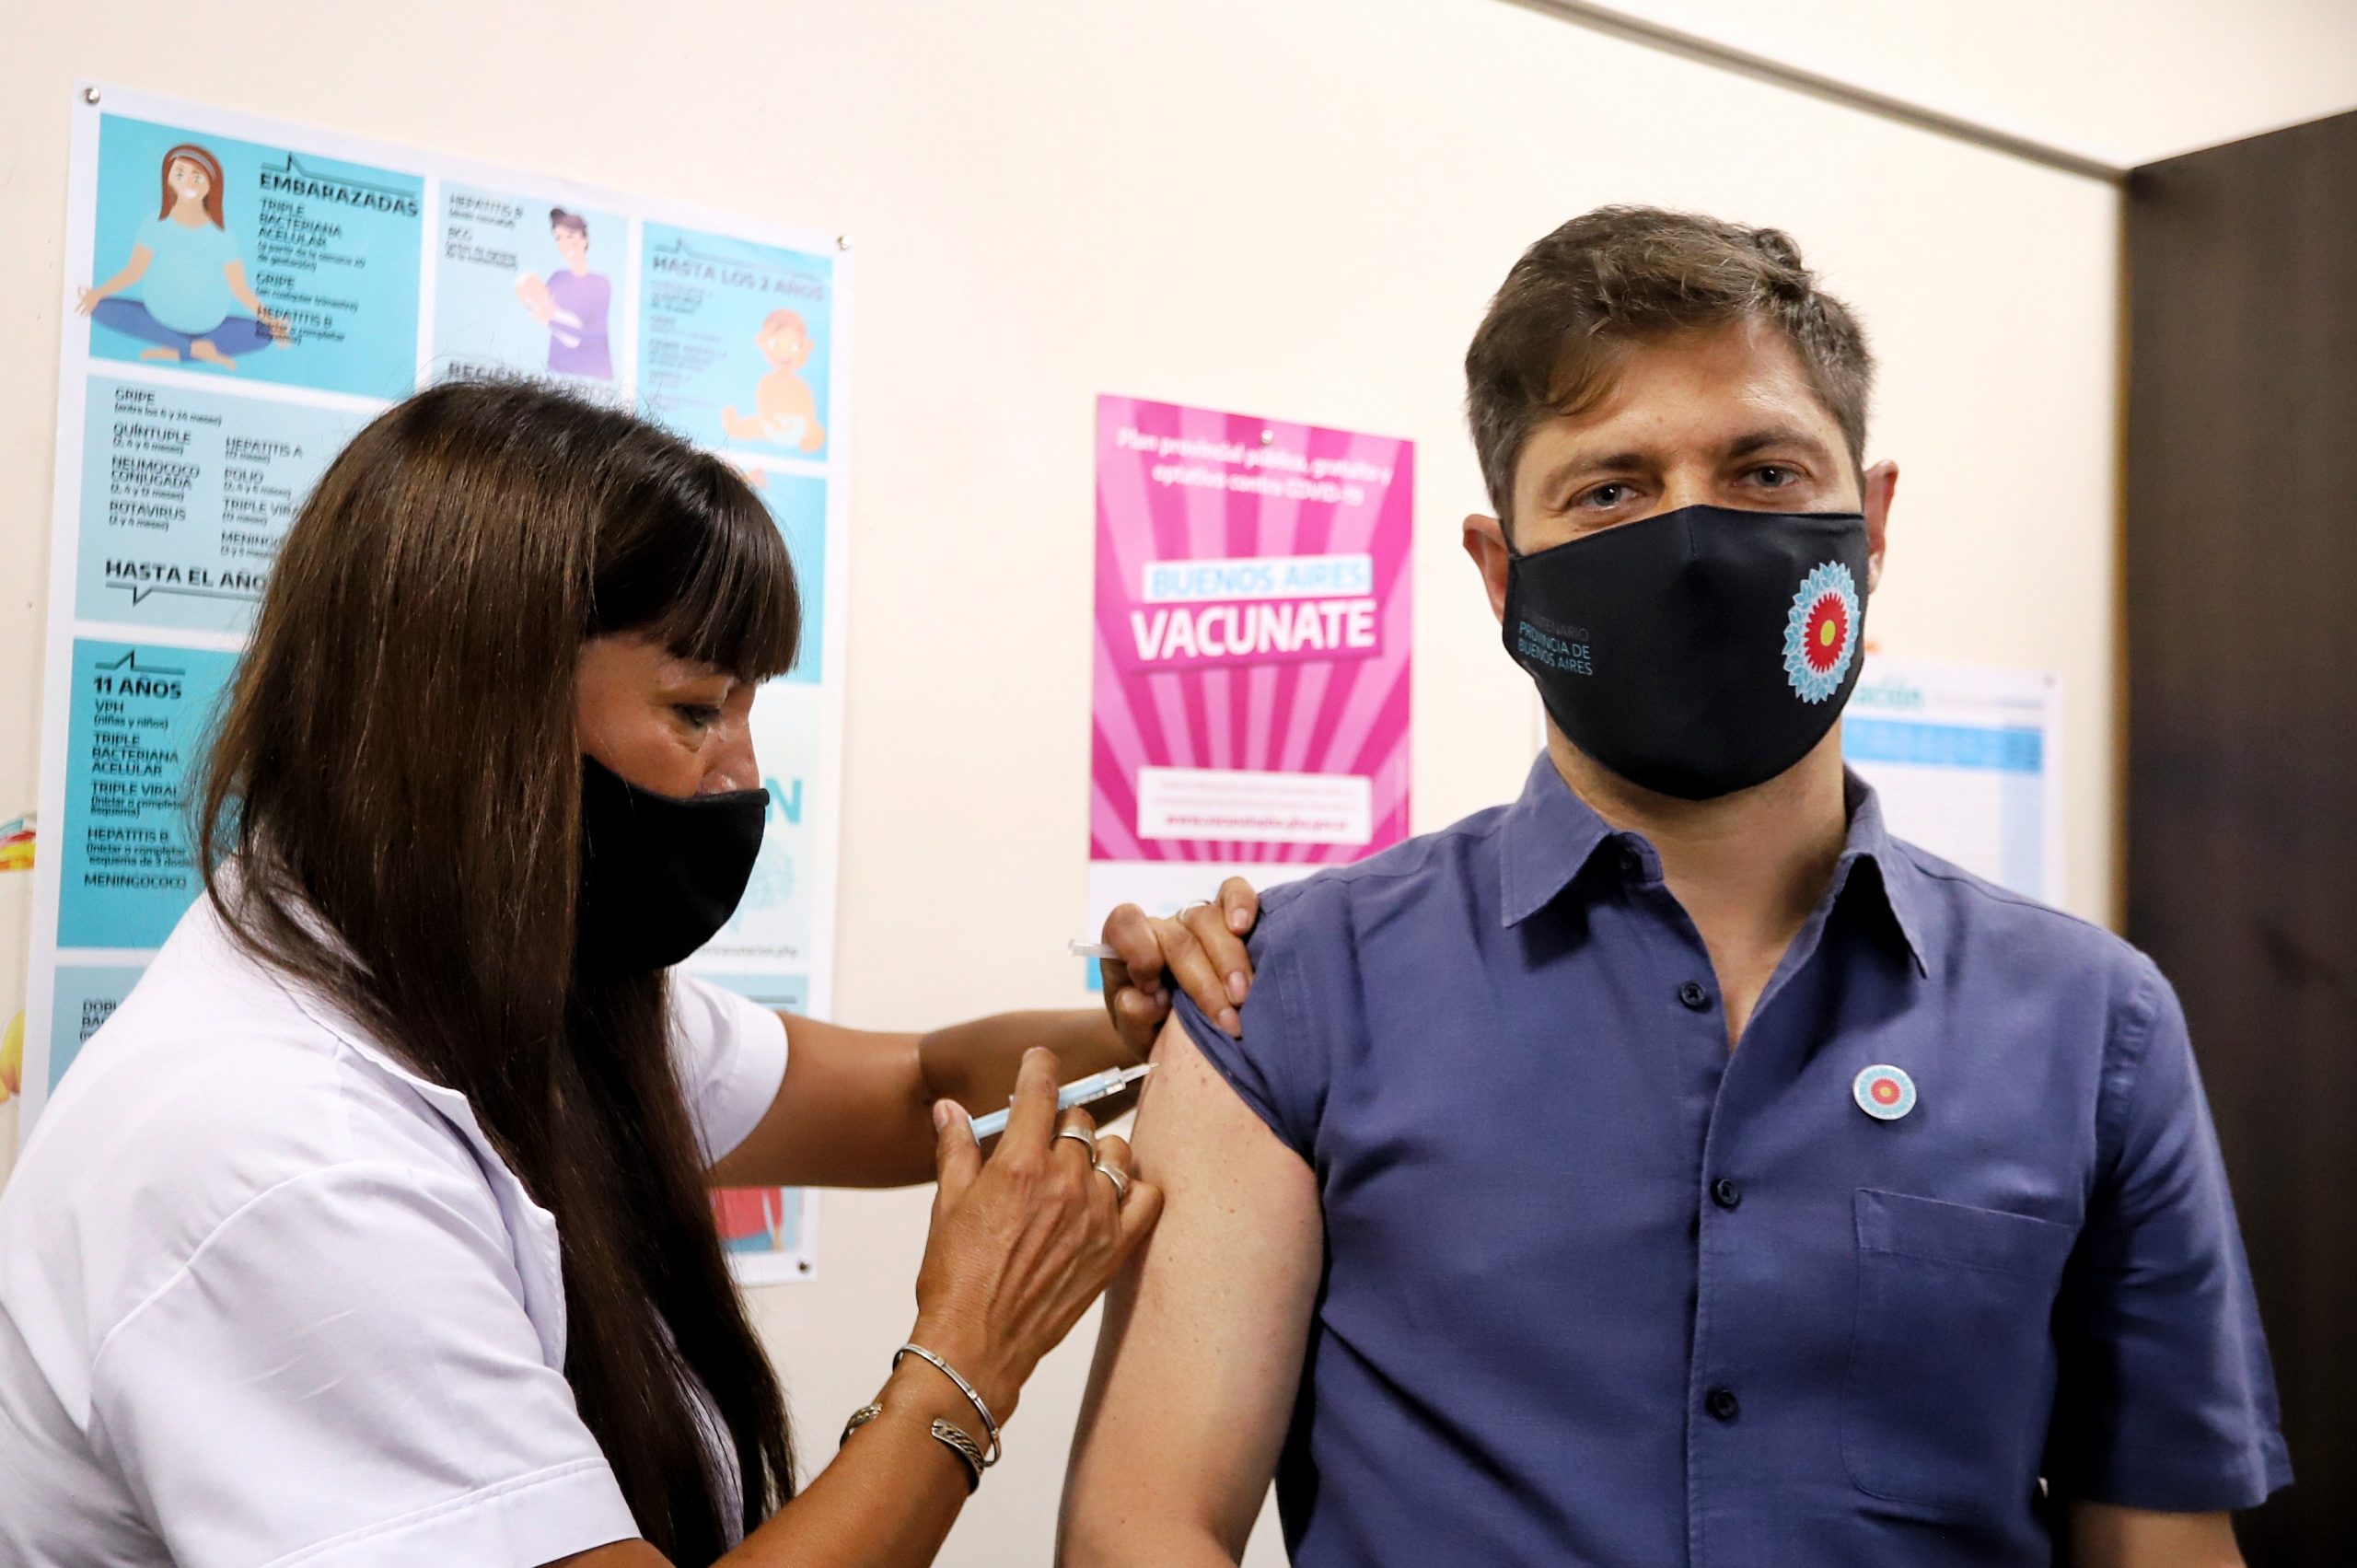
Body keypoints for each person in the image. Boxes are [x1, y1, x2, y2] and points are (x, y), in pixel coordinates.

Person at [1062, 207, 2290, 1568]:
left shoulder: (2093, 1023)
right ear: (1501, 573)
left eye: (1764, 471)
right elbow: (1140, 1527)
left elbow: (2164, 1542)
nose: (1694, 542)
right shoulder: (1289, 988)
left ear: (1871, 523)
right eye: (1610, 489)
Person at [0, 378, 1261, 1568]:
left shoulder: (486, 983)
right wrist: (967, 1349)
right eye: (697, 710)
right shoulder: (287, 1159)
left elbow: (911, 1087)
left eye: (749, 709)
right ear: (478, 719)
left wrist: (1148, 1027)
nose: (743, 775)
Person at [77, 143, 287, 368]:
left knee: (264, 333)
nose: (187, 183)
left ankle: (180, 348)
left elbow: (240, 288)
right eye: (179, 174)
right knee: (100, 308)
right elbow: (134, 271)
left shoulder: (222, 235)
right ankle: (195, 350)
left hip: (209, 325)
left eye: (197, 177)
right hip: (158, 318)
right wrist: (98, 293)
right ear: (168, 178)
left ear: (211, 184)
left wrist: (271, 321)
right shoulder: (154, 224)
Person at [517, 207, 615, 380]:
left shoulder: (600, 283)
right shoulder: (557, 278)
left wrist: (551, 320)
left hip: (593, 375)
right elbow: (539, 302)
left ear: (584, 239)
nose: (564, 243)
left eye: (570, 236)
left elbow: (591, 336)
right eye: (559, 238)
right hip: (557, 375)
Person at [720, 309, 827, 453]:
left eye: (795, 346)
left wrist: (805, 424)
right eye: (776, 344)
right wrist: (772, 421)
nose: (785, 352)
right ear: (762, 342)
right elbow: (764, 405)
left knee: (817, 431)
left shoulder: (799, 384)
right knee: (753, 426)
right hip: (771, 426)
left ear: (806, 346)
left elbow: (808, 408)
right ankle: (733, 426)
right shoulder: (767, 382)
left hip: (797, 427)